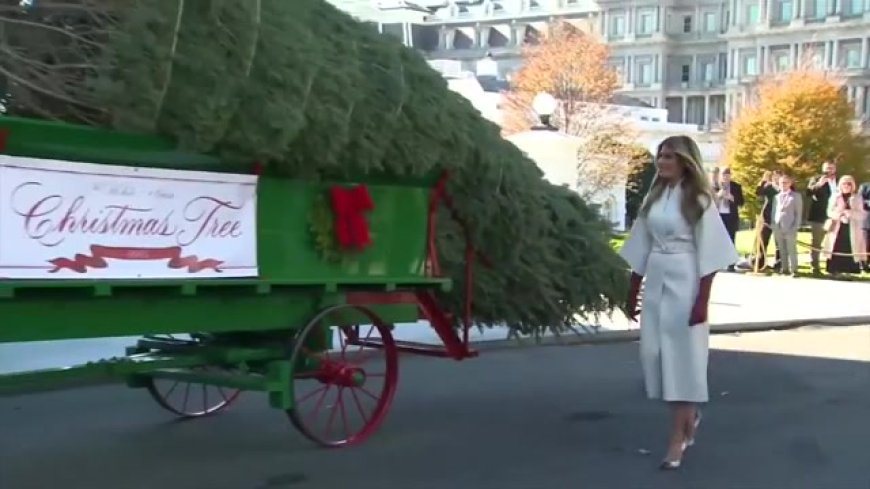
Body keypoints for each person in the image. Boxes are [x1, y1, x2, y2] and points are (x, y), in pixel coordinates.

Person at [619, 135, 739, 470]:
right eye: (660, 155)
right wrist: (633, 288)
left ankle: (677, 438)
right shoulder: (655, 196)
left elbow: (713, 253)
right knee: (655, 352)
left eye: (669, 156)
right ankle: (690, 416)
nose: (662, 162)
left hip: (686, 278)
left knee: (682, 357)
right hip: (657, 274)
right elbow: (640, 242)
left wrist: (702, 302)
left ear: (685, 161)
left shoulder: (698, 198)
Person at [822, 175, 868, 276]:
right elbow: (829, 211)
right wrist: (839, 214)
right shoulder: (835, 196)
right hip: (836, 227)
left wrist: (850, 213)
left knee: (849, 248)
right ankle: (833, 271)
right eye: (844, 183)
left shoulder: (857, 197)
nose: (846, 186)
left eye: (849, 184)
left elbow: (862, 214)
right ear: (840, 185)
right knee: (835, 247)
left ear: (853, 185)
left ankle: (848, 271)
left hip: (852, 228)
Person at [806, 161, 838, 275]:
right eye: (827, 168)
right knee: (817, 242)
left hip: (836, 217)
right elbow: (808, 192)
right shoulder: (816, 179)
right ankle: (815, 267)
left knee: (834, 242)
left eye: (831, 168)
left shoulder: (840, 181)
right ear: (823, 168)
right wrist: (819, 184)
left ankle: (833, 267)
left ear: (835, 169)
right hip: (819, 216)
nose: (829, 170)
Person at [771, 173, 802, 277]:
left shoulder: (796, 196)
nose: (783, 185)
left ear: (790, 183)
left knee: (791, 249)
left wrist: (795, 227)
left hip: (790, 227)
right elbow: (774, 211)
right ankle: (784, 269)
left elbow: (798, 214)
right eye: (781, 183)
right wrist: (773, 225)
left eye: (785, 182)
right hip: (778, 226)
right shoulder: (776, 197)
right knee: (782, 249)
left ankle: (794, 270)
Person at [715, 168, 744, 271]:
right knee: (718, 240)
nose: (725, 177)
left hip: (731, 217)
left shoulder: (736, 186)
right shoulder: (714, 186)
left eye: (727, 175)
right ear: (720, 176)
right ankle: (717, 264)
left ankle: (731, 265)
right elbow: (708, 201)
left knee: (731, 240)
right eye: (723, 175)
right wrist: (718, 195)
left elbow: (741, 202)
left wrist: (732, 198)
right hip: (718, 216)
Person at [754, 170, 781, 271]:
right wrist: (763, 182)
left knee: (779, 243)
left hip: (779, 219)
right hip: (767, 218)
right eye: (775, 177)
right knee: (763, 241)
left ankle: (778, 265)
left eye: (778, 177)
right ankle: (760, 263)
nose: (776, 179)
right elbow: (758, 192)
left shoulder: (784, 187)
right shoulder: (768, 186)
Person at [860, 180, 870, 273]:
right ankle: (864, 264)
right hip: (867, 220)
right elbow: (859, 200)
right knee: (865, 243)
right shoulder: (865, 186)